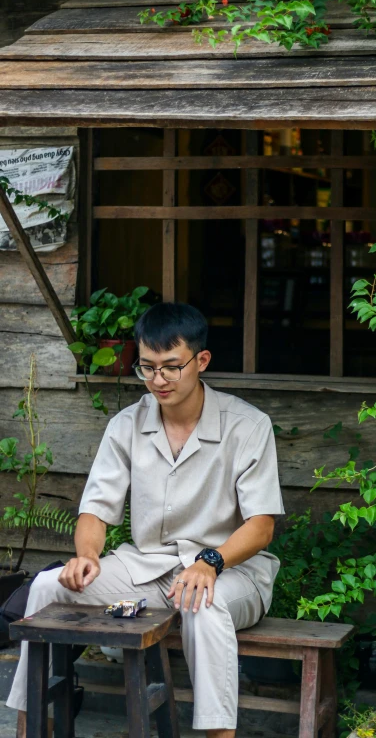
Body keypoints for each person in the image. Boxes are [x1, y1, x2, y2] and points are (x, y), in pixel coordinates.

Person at [8, 302, 284, 738]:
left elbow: (261, 526)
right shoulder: (126, 424)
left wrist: (209, 562)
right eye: (148, 367)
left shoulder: (247, 425)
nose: (158, 380)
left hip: (232, 573)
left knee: (202, 602)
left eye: (171, 367)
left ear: (201, 361)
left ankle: (219, 735)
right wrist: (86, 555)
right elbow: (96, 509)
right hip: (148, 569)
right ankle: (30, 726)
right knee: (47, 585)